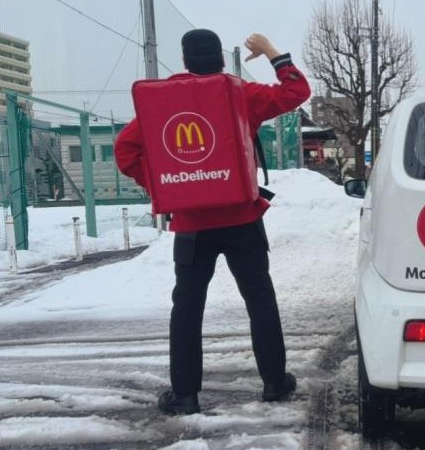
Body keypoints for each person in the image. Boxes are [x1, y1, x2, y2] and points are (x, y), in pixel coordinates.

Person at [114, 29, 311, 415]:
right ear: (220, 59)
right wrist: (272, 52)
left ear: (186, 60)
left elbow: (125, 150)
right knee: (259, 298)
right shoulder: (239, 93)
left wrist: (167, 183)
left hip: (192, 226)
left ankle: (185, 395)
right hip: (242, 218)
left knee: (187, 306)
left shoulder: (163, 100)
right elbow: (295, 92)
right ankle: (274, 383)